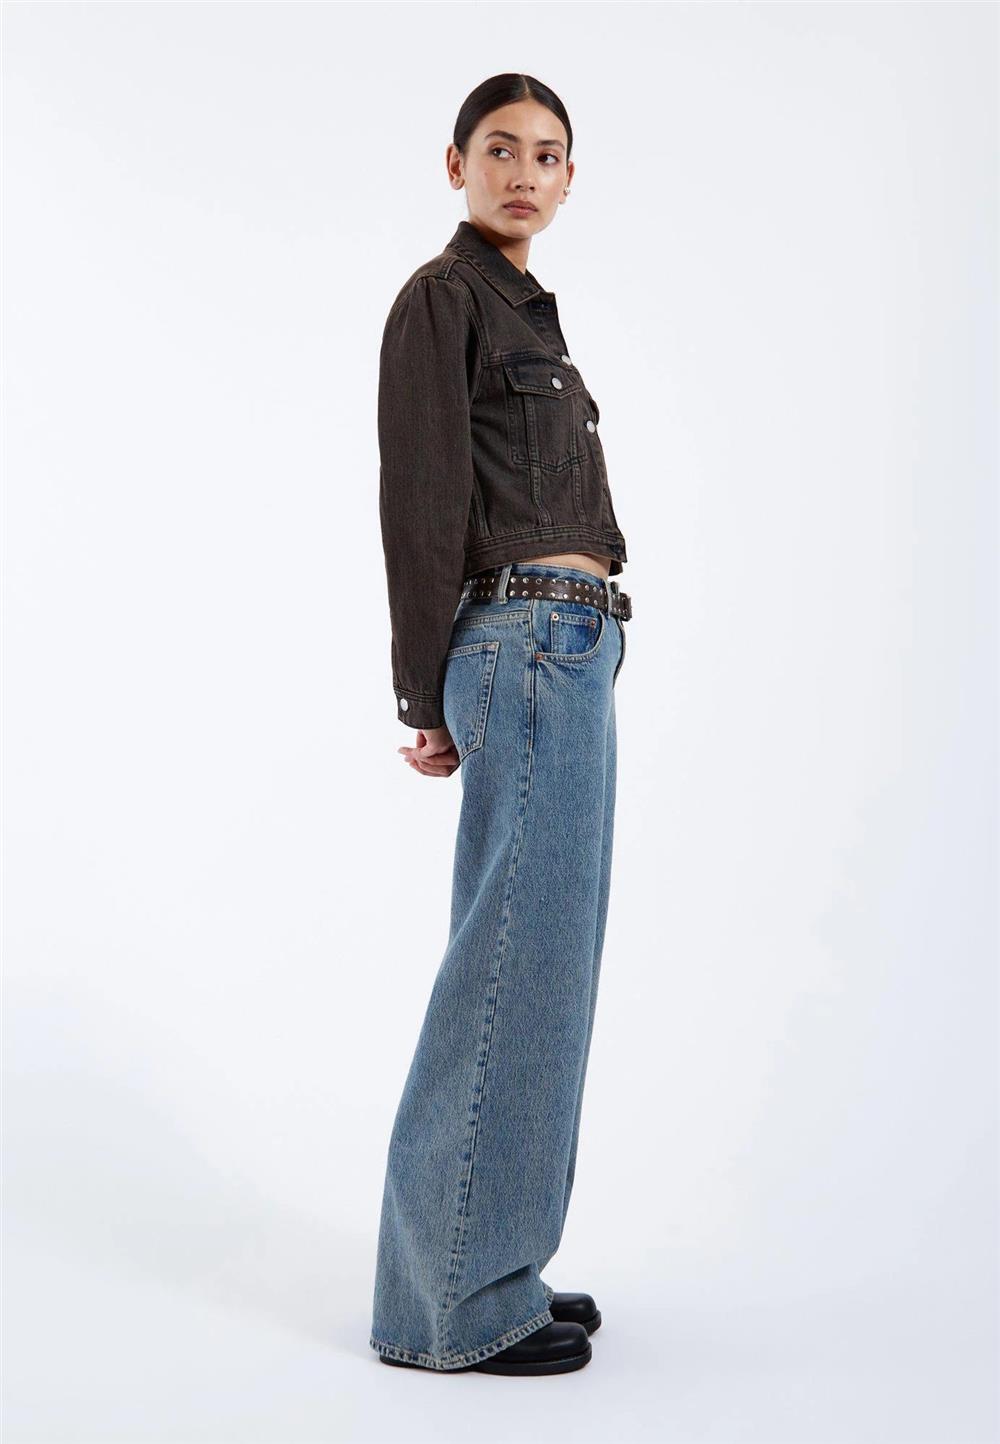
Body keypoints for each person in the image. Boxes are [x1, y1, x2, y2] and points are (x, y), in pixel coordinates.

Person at [369, 72, 632, 1377]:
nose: (524, 172)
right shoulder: (444, 298)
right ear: (457, 164)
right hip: (521, 644)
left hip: (570, 648)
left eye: (548, 154)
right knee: (511, 967)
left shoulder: (533, 315)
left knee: (545, 972)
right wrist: (423, 692)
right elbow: (421, 503)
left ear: (570, 178)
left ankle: (494, 1265)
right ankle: (456, 1308)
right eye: (500, 149)